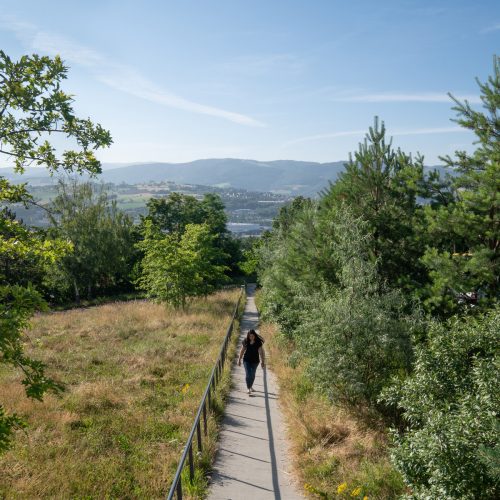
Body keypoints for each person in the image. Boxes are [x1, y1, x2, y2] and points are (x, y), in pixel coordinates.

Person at [238, 329, 265, 395]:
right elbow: (242, 351)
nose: (251, 337)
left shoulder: (258, 342)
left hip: (255, 361)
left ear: (255, 336)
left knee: (252, 375)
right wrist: (239, 359)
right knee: (248, 374)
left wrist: (262, 361)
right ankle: (248, 388)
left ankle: (250, 386)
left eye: (252, 336)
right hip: (246, 360)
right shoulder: (246, 341)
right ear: (248, 336)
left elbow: (261, 352)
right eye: (250, 336)